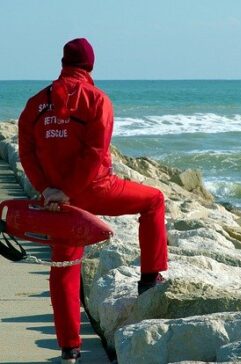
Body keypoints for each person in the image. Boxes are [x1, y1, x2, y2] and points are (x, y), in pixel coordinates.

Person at [18, 38, 168, 364]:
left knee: (64, 267)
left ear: (62, 63)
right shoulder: (97, 100)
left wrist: (47, 190)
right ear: (90, 66)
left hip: (57, 202)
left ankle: (70, 349)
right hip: (96, 190)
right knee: (154, 200)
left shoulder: (34, 104)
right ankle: (150, 277)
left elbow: (26, 152)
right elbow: (95, 153)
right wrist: (70, 190)